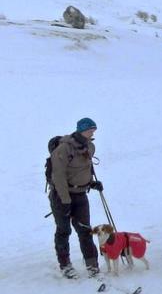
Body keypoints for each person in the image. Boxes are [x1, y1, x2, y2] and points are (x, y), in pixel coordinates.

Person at [49, 117, 103, 279]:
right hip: (61, 196)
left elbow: (84, 169)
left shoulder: (89, 147)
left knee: (85, 230)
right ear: (81, 130)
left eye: (93, 130)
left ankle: (92, 266)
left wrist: (91, 183)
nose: (92, 132)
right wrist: (65, 200)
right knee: (64, 230)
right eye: (90, 129)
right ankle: (65, 266)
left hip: (80, 194)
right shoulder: (64, 148)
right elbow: (58, 175)